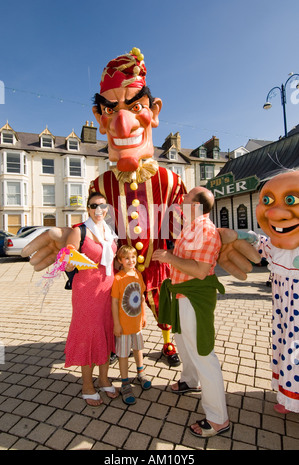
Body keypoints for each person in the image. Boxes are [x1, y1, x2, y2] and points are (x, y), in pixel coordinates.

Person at [21, 47, 261, 365]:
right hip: (121, 264)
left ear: (154, 111)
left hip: (158, 261)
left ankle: (168, 344)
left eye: (136, 107)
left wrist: (213, 241)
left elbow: (188, 223)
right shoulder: (100, 186)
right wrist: (71, 237)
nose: (123, 123)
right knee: (117, 306)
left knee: (164, 306)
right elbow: (96, 227)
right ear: (100, 118)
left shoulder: (172, 182)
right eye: (111, 110)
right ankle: (117, 346)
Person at [153, 187, 230, 438]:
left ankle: (218, 418)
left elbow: (199, 270)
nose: (181, 201)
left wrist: (168, 257)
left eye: (185, 199)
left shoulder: (205, 230)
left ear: (196, 205)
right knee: (184, 344)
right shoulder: (192, 226)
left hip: (195, 296)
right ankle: (190, 381)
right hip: (181, 293)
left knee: (203, 355)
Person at [64, 192, 118, 407]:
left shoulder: (109, 230)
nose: (98, 210)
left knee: (106, 331)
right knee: (89, 334)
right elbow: (67, 259)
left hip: (108, 290)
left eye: (102, 205)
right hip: (87, 291)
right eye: (93, 206)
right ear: (87, 208)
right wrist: (68, 262)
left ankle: (104, 379)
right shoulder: (79, 231)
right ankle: (87, 384)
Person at [253, 170, 299, 414]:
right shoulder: (275, 244)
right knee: (286, 348)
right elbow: (261, 246)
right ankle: (289, 395)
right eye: (268, 201)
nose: (274, 213)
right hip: (283, 313)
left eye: (291, 200)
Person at [111, 245, 151, 405]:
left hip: (136, 323)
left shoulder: (138, 275)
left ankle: (140, 373)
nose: (131, 261)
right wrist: (116, 324)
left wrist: (144, 314)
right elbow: (114, 302)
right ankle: (125, 382)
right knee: (123, 354)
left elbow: (141, 296)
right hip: (123, 325)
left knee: (138, 348)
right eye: (127, 258)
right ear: (120, 261)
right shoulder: (118, 278)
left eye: (133, 257)